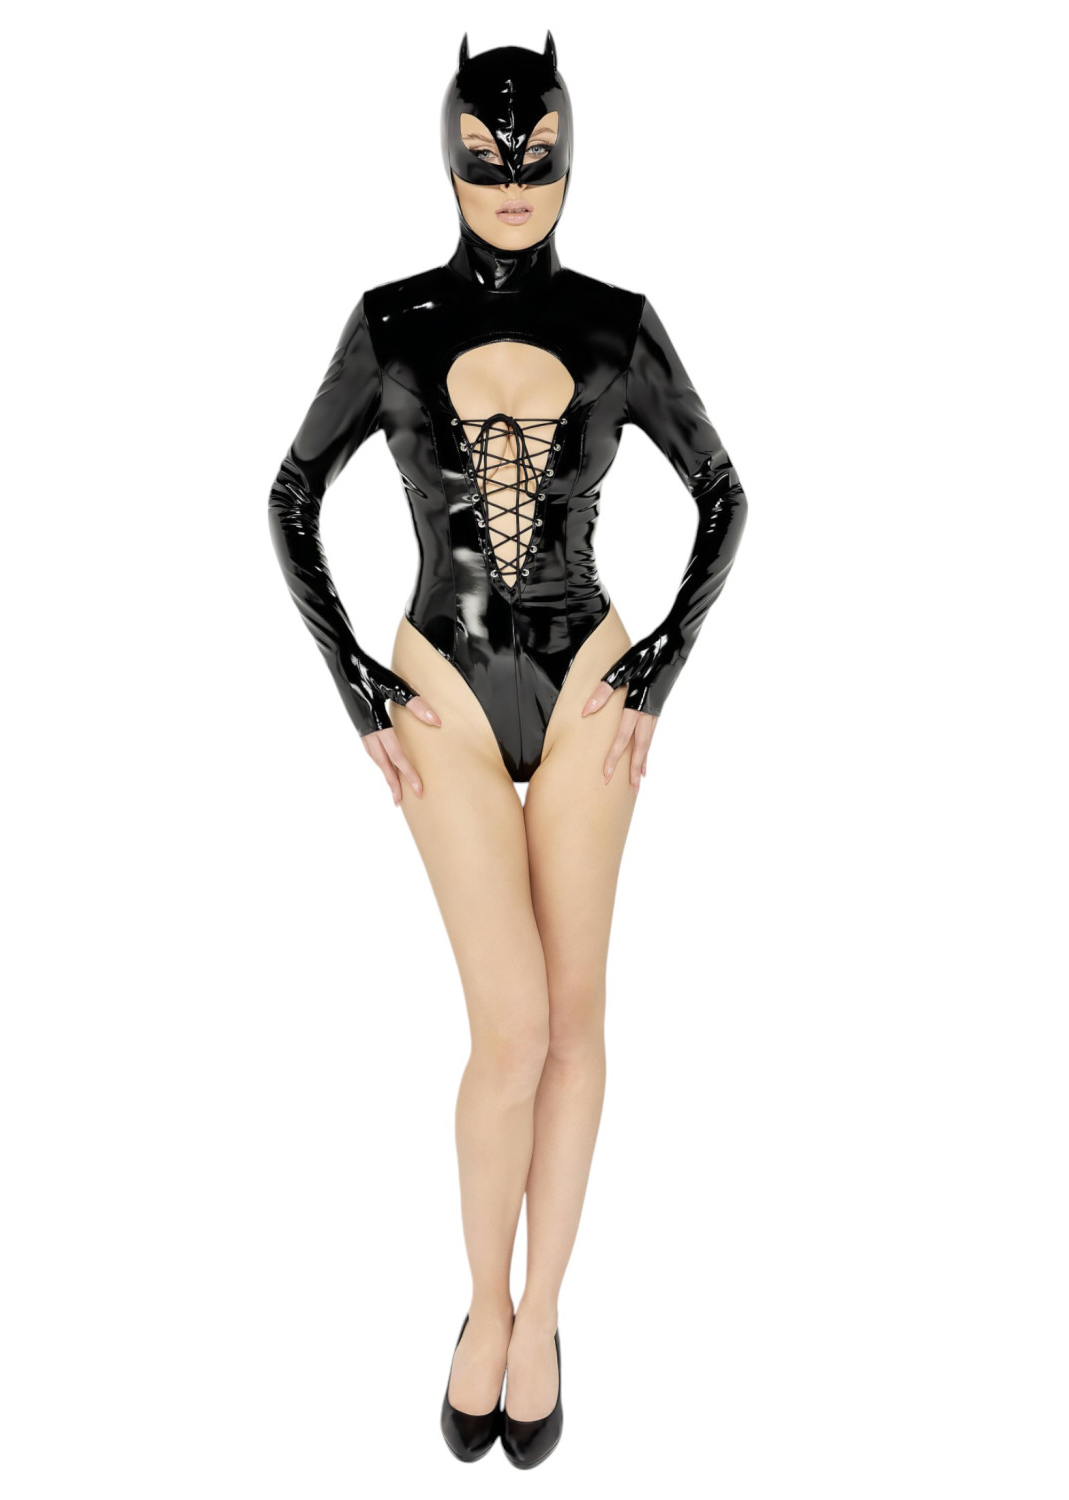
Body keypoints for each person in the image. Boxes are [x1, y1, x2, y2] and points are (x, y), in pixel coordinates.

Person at [268, 32, 748, 1469]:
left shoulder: (619, 323)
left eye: (538, 152)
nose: (515, 176)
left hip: (588, 669)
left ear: (572, 158)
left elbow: (723, 490)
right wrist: (356, 686)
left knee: (580, 1020)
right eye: (488, 156)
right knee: (515, 1029)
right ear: (449, 161)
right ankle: (483, 1306)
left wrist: (660, 665)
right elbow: (291, 492)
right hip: (444, 683)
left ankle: (542, 1320)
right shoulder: (390, 322)